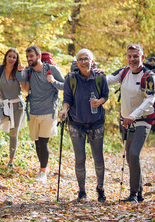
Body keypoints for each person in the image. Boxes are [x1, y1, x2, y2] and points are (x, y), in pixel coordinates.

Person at [106, 44, 155, 203]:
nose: (132, 59)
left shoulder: (148, 76)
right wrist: (93, 72)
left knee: (134, 154)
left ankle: (133, 195)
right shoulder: (124, 72)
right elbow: (106, 80)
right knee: (130, 157)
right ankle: (139, 193)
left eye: (136, 56)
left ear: (142, 57)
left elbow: (150, 100)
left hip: (142, 121)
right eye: (129, 56)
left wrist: (133, 116)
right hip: (126, 122)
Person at [59, 49, 109, 202]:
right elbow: (67, 98)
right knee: (80, 159)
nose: (83, 62)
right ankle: (82, 192)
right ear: (77, 62)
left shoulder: (100, 77)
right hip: (76, 124)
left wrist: (99, 102)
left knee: (98, 158)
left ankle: (100, 188)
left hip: (96, 124)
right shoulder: (71, 78)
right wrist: (64, 110)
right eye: (80, 59)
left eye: (86, 58)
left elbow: (105, 95)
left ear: (92, 61)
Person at [16, 46, 64, 183]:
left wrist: (53, 81)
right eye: (27, 57)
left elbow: (66, 85)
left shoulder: (51, 69)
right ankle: (43, 169)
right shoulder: (29, 71)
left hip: (49, 111)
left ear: (38, 56)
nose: (29, 59)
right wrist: (20, 68)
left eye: (31, 56)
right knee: (37, 143)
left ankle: (43, 172)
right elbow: (19, 77)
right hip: (34, 111)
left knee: (43, 142)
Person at [0, 48, 28, 168]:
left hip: (17, 106)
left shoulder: (19, 72)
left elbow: (25, 88)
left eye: (14, 57)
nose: (12, 59)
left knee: (13, 133)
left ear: (17, 59)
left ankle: (10, 162)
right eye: (10, 56)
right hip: (3, 104)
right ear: (6, 57)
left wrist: (22, 72)